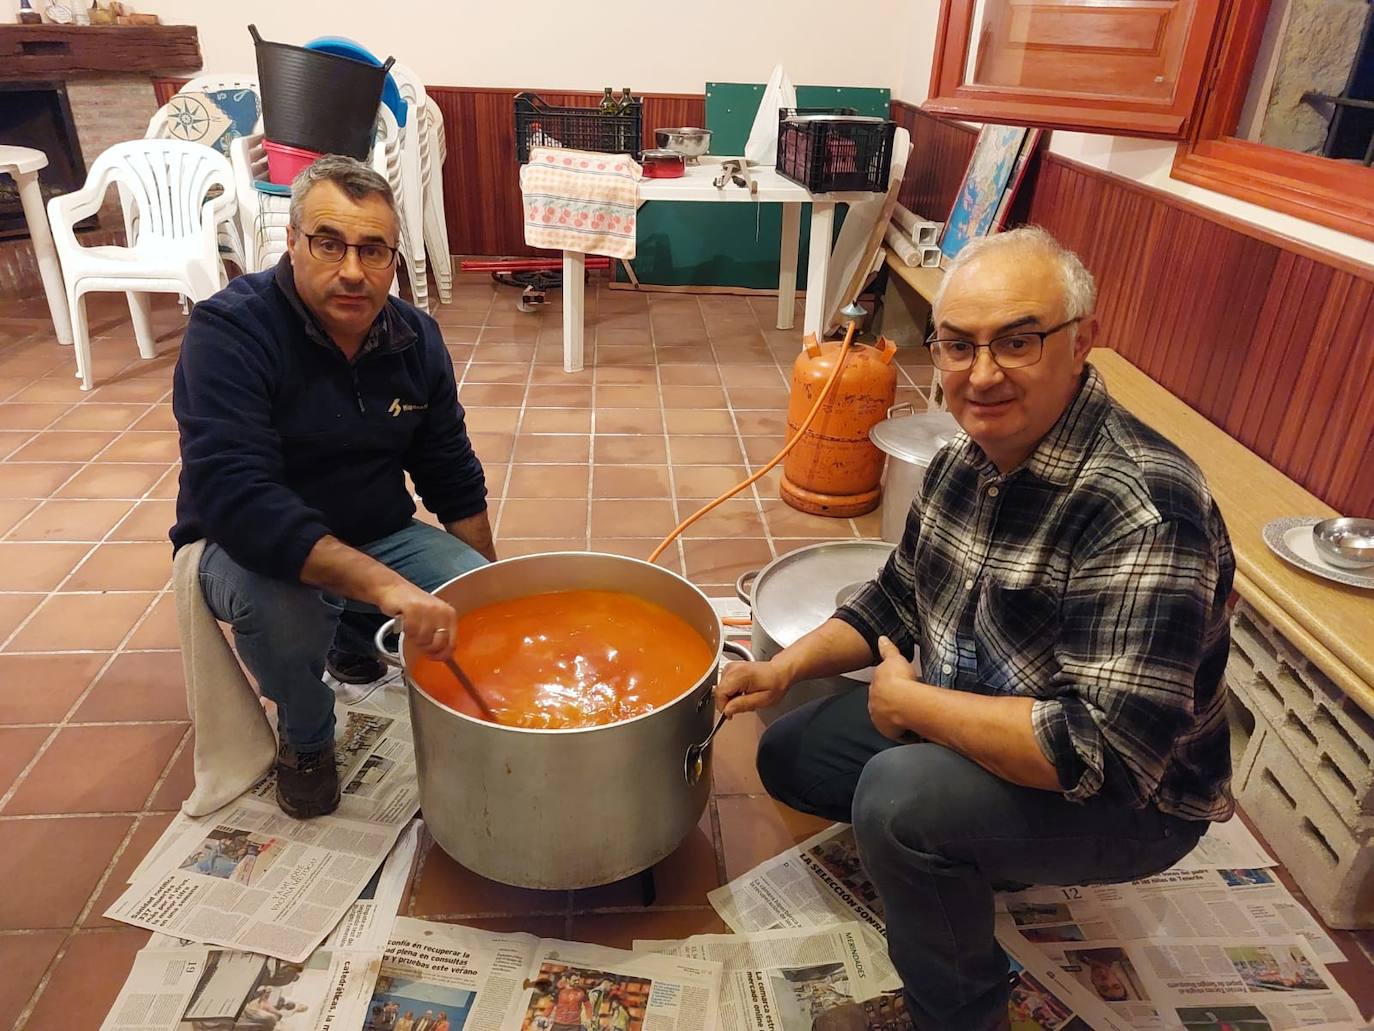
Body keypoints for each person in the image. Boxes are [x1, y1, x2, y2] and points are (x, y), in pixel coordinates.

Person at [717, 226, 1236, 1031]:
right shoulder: (967, 458)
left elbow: (1102, 754)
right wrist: (782, 672)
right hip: (988, 716)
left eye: (1017, 341)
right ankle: (975, 854)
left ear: (1080, 343)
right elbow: (894, 596)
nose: (982, 374)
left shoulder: (1144, 508)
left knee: (897, 799)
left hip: (1135, 803)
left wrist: (913, 708)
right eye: (958, 345)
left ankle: (957, 1016)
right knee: (787, 752)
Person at [172, 155, 495, 819]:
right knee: (289, 608)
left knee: (468, 600)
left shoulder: (415, 337)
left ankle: (351, 635)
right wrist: (383, 586)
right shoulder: (230, 331)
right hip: (246, 547)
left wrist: (493, 594)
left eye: (373, 250)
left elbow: (452, 475)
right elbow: (243, 501)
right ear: (290, 242)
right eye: (329, 243)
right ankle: (306, 733)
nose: (353, 270)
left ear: (393, 258)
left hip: (376, 530)